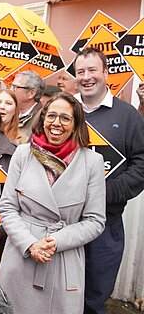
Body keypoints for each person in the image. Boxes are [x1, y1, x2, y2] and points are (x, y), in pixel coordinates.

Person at [0, 92, 106, 313]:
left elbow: (95, 221)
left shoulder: (92, 162)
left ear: (76, 123)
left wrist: (54, 242)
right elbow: (8, 207)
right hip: (21, 255)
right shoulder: (23, 154)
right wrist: (30, 244)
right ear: (43, 118)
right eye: (51, 116)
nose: (56, 123)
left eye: (65, 118)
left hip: (63, 259)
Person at [73, 48, 144, 314]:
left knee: (93, 298)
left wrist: (106, 191)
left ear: (106, 73)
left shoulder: (127, 116)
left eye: (92, 70)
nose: (86, 77)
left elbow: (141, 163)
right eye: (80, 72)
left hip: (106, 224)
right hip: (63, 223)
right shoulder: (63, 110)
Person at [11, 70, 44, 138]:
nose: (11, 90)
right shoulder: (10, 111)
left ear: (31, 93)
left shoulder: (42, 118)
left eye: (15, 87)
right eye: (11, 86)